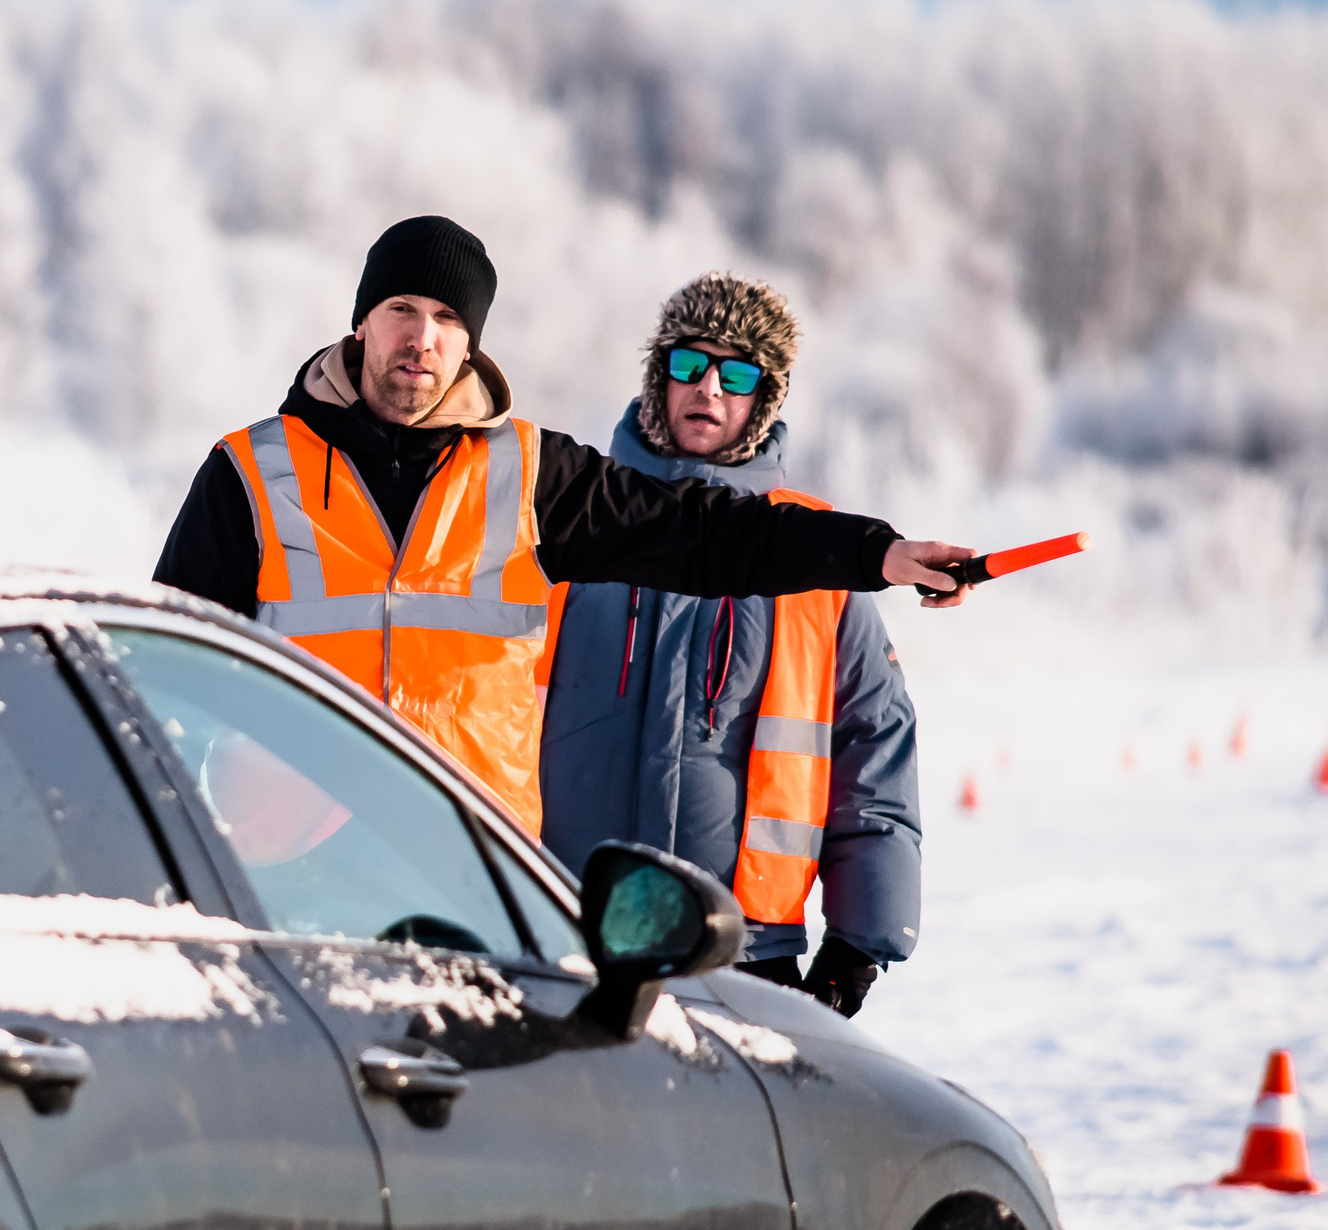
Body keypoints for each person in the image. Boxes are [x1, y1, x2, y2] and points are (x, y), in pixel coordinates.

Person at [154, 214, 969, 839]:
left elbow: (706, 533)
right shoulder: (252, 472)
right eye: (401, 307)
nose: (421, 336)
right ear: (362, 322)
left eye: (446, 317)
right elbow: (169, 673)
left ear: (470, 345)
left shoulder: (529, 472)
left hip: (471, 865)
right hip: (285, 864)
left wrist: (877, 553)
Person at [537, 273, 917, 1015]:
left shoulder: (813, 558)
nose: (707, 387)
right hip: (563, 930)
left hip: (743, 957)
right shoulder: (568, 525)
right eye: (688, 364)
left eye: (735, 373)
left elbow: (877, 744)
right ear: (658, 376)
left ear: (762, 398)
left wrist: (856, 943)